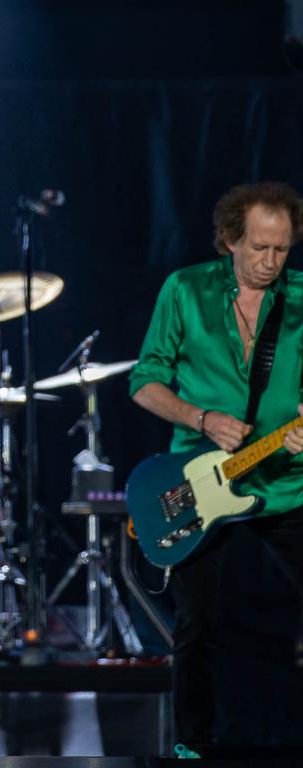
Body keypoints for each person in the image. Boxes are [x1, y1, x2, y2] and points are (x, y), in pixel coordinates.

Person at [129, 182, 303, 758]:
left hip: (283, 481)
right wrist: (200, 417)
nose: (270, 262)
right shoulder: (185, 290)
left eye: (282, 250)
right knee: (196, 627)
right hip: (199, 484)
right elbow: (144, 383)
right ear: (230, 238)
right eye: (258, 248)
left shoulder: (300, 297)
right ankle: (191, 748)